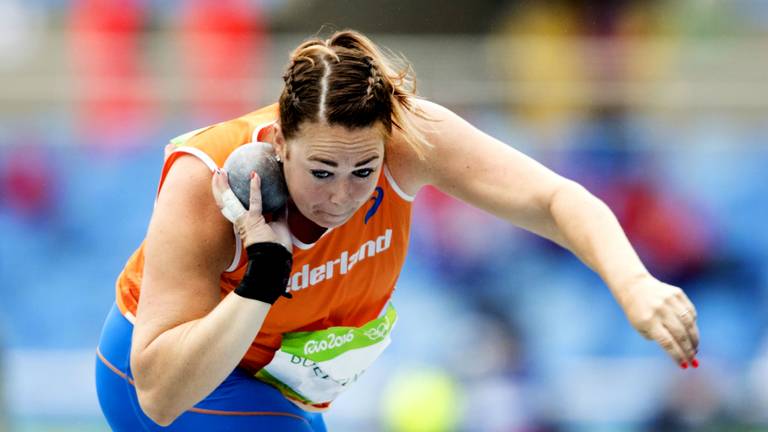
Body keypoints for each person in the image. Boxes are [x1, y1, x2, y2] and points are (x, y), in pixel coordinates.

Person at [94, 29, 700, 431]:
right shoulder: (208, 181)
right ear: (280, 143)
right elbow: (160, 392)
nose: (341, 196)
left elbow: (554, 198)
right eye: (321, 170)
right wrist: (262, 280)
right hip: (156, 374)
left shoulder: (414, 138)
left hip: (273, 386)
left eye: (364, 169)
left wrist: (634, 282)